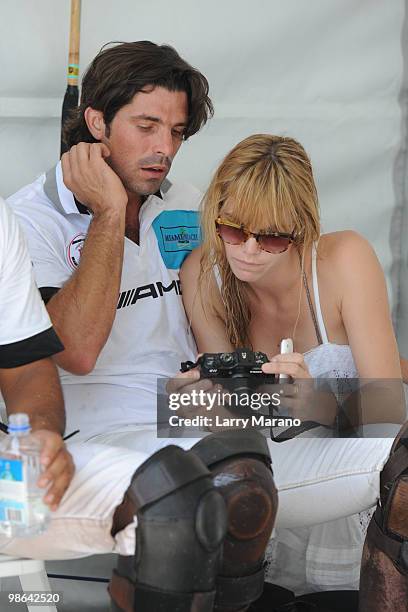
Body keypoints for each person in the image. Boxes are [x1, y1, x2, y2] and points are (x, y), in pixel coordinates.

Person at [6, 41, 279, 612]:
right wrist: (107, 213)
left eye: (176, 132)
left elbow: (224, 329)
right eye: (147, 126)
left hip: (195, 406)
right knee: (226, 479)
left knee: (374, 419)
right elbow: (75, 351)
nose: (164, 150)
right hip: (99, 423)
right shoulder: (27, 220)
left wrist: (254, 378)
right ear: (96, 123)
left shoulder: (185, 204)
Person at [180, 134, 408, 610]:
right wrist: (193, 402)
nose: (248, 250)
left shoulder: (343, 260)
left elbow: (390, 415)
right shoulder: (204, 273)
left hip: (356, 488)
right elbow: (230, 425)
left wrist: (317, 404)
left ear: (302, 228)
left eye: (271, 237)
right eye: (233, 229)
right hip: (271, 490)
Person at [0, 197, 74, 516]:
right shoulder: (36, 210)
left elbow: (24, 367)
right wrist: (109, 215)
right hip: (106, 413)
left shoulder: (1, 218)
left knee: (170, 491)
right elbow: (80, 354)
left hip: (169, 410)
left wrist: (39, 435)